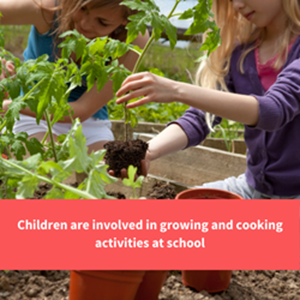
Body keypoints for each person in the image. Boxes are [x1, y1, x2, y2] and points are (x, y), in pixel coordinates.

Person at [115, 0, 300, 199]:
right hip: (253, 189)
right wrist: (148, 151)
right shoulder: (241, 53)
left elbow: (273, 111)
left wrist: (176, 90)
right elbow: (200, 118)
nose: (237, 5)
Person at [0, 0, 148, 153]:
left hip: (90, 122)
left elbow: (83, 109)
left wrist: (4, 105)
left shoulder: (134, 38)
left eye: (102, 22)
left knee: (107, 171)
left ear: (126, 20)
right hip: (30, 114)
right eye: (82, 8)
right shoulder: (48, 9)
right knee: (49, 165)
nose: (85, 23)